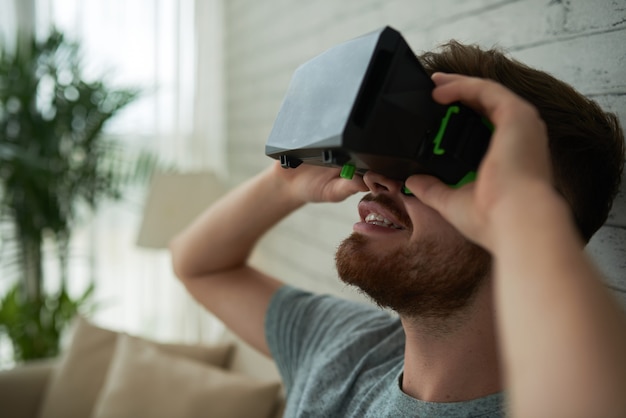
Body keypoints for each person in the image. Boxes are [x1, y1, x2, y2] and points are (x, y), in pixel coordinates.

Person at [170, 42, 626, 417]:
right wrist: (284, 183)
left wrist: (522, 215)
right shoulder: (345, 347)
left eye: (434, 160)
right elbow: (198, 266)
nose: (378, 179)